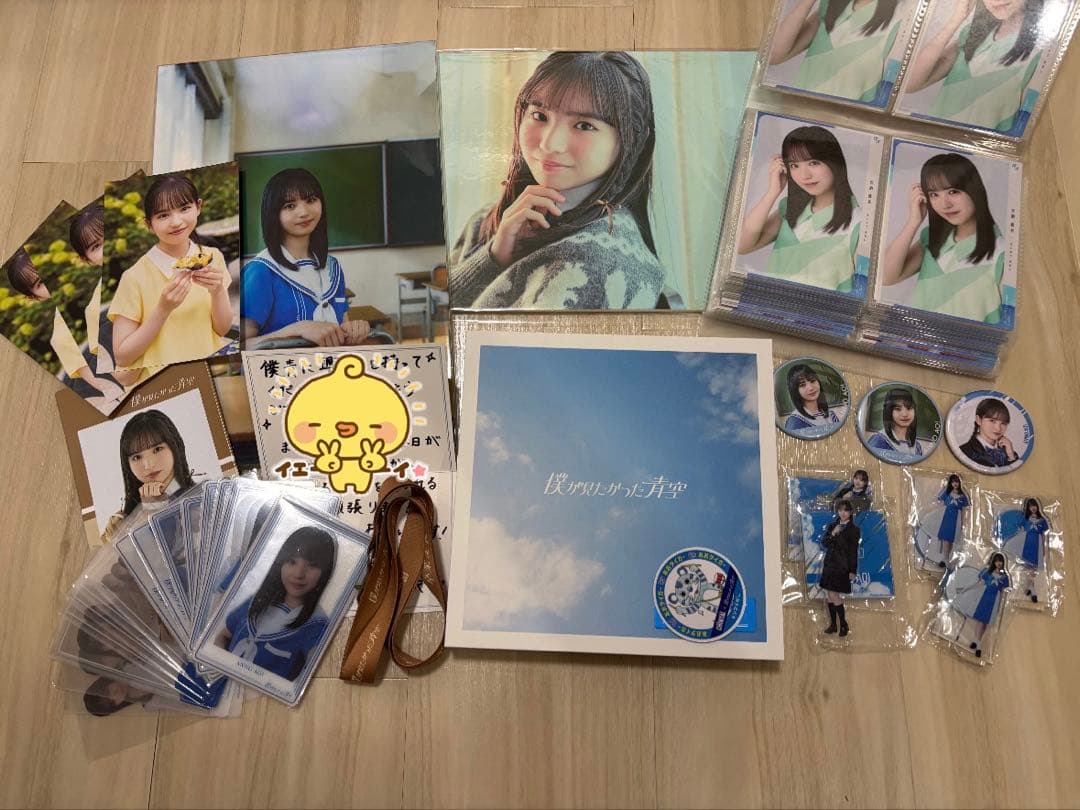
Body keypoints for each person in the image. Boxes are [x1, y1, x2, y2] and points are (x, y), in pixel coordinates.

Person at [449, 51, 665, 310]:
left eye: (584, 125)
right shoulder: (488, 220)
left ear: (634, 139)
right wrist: (494, 257)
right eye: (539, 116)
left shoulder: (593, 264)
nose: (550, 143)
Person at [108, 174, 234, 376]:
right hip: (162, 384)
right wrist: (163, 309)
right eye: (163, 215)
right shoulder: (134, 278)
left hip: (211, 374)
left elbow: (222, 329)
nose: (176, 222)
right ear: (149, 224)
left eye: (184, 209)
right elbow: (123, 357)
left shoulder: (212, 257)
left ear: (198, 206)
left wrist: (218, 291)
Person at [240, 168, 370, 348]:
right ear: (273, 214)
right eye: (289, 206)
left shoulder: (332, 267)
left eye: (310, 200)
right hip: (282, 366)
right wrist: (297, 329)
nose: (303, 212)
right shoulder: (261, 271)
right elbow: (240, 348)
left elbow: (342, 322)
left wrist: (353, 329)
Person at [881, 152, 1004, 322]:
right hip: (917, 336)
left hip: (965, 339)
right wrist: (913, 221)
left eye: (953, 192)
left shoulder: (1002, 252)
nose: (945, 204)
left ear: (974, 189)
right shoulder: (933, 238)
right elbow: (885, 277)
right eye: (934, 194)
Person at [737, 125, 860, 292]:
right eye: (794, 165)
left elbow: (861, 290)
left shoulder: (858, 221)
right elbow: (741, 245)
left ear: (835, 163)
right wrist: (772, 192)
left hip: (819, 308)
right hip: (769, 303)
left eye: (813, 163)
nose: (804, 175)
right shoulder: (790, 208)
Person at [3, 247, 125, 411]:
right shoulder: (59, 337)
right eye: (39, 284)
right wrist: (113, 391)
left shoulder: (96, 293)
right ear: (33, 296)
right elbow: (95, 380)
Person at [903, 0, 1047, 133]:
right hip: (932, 141)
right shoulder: (974, 33)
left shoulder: (1041, 55)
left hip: (976, 150)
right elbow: (909, 83)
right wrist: (957, 19)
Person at [216, 527, 336, 681]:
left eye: (312, 565)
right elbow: (223, 635)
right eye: (292, 562)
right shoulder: (257, 601)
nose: (299, 574)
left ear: (325, 572)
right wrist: (219, 668)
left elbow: (314, 674)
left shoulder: (317, 625)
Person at [769, 0, 907, 104]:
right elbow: (774, 55)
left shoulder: (901, 19)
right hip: (798, 111)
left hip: (845, 124)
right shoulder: (831, 6)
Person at [69, 202, 141, 389]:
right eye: (96, 246)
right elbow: (124, 376)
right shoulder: (101, 318)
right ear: (86, 259)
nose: (107, 247)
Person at [103, 410, 197, 543]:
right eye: (137, 457)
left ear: (174, 446)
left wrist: (155, 510)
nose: (148, 465)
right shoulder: (121, 522)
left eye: (157, 449)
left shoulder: (200, 498)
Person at [951, 551, 1010, 657]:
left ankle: (976, 640)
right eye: (997, 561)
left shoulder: (1004, 577)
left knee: (985, 622)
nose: (998, 563)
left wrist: (999, 606)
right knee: (980, 621)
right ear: (993, 562)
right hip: (983, 598)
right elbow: (977, 582)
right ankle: (978, 644)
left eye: (1000, 561)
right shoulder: (987, 572)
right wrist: (965, 589)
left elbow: (1002, 592)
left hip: (994, 601)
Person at [819, 499, 861, 636]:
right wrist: (833, 533)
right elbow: (825, 543)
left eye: (846, 510)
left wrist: (852, 570)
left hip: (842, 566)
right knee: (830, 596)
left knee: (833, 594)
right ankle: (833, 625)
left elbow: (853, 552)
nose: (843, 513)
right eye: (840, 510)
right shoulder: (833, 526)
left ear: (851, 512)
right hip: (829, 565)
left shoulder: (854, 530)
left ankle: (843, 624)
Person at [1003, 497, 1049, 602]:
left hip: (1037, 545)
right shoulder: (1025, 519)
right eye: (1031, 506)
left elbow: (1043, 535)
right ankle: (1032, 590)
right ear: (1028, 507)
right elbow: (1021, 529)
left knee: (1034, 570)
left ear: (1037, 506)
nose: (1033, 508)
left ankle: (1030, 587)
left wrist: (1043, 548)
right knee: (1028, 568)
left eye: (1034, 505)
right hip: (1026, 544)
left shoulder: (1042, 521)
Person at [783, 363, 843, 434]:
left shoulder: (830, 415)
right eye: (802, 385)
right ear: (795, 391)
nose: (810, 388)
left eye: (812, 381)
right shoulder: (795, 422)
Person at [959, 397, 1018, 467]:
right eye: (992, 421)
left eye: (1003, 423)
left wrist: (1011, 456)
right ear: (978, 420)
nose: (998, 428)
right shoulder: (966, 450)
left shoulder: (1009, 452)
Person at [866, 387, 924, 457]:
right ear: (889, 411)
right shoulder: (879, 441)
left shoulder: (917, 447)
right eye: (898, 409)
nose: (905, 414)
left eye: (909, 408)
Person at [932, 474, 969, 567]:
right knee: (945, 538)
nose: (955, 484)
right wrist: (944, 486)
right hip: (946, 517)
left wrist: (963, 523)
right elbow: (939, 499)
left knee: (952, 539)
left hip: (956, 518)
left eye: (957, 481)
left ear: (960, 483)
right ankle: (945, 558)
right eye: (952, 482)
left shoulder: (963, 496)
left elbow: (964, 510)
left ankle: (947, 558)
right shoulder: (947, 493)